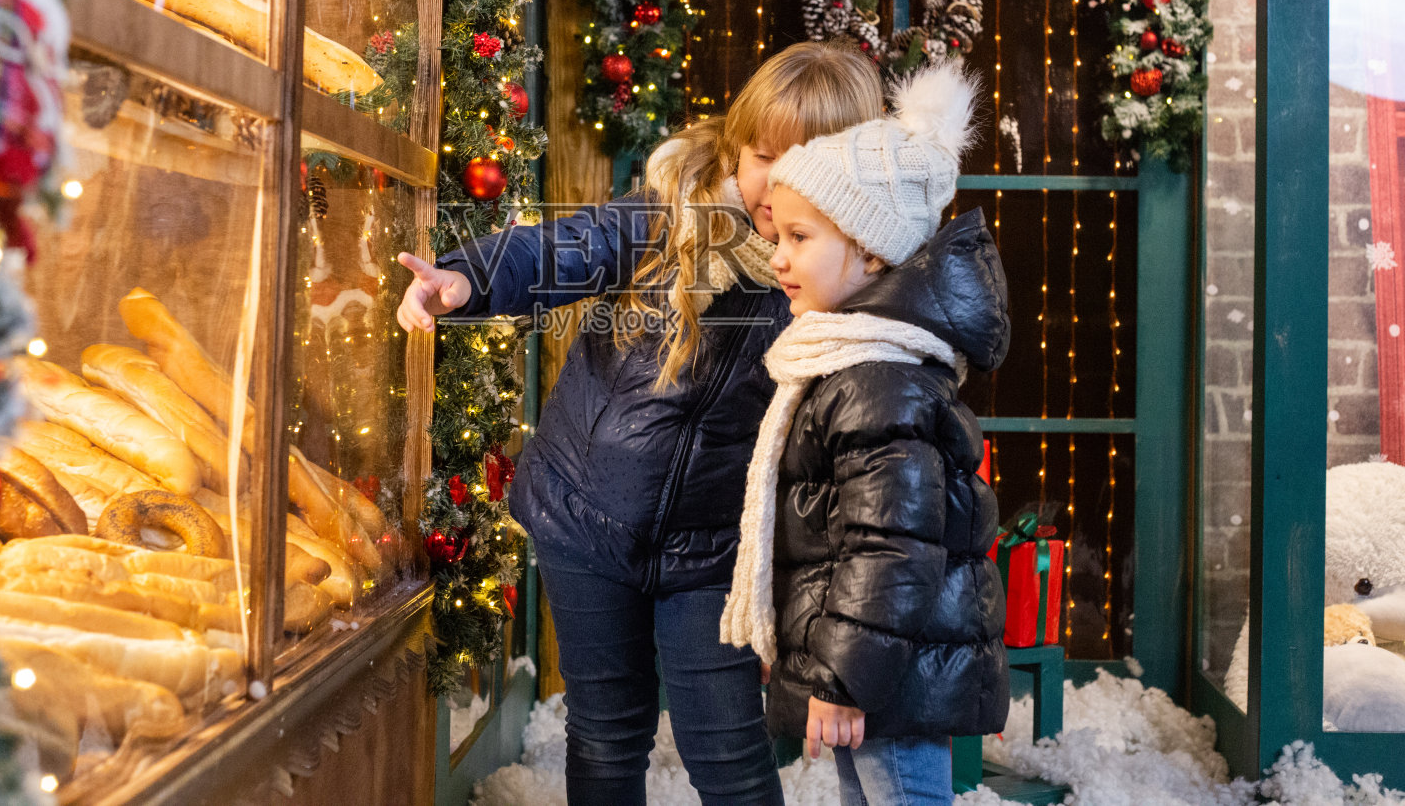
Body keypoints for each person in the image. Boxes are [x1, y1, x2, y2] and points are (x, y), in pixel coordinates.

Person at [395, 40, 884, 806]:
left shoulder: (827, 269)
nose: (774, 185)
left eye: (805, 168)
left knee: (726, 748)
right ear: (734, 145)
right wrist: (469, 278)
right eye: (762, 156)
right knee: (605, 729)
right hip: (587, 515)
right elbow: (564, 248)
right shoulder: (673, 212)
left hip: (712, 550)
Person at [719, 59, 1012, 806]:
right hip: (887, 670)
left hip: (891, 677)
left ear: (872, 249)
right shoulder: (847, 359)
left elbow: (890, 549)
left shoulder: (875, 378)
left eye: (800, 236)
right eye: (778, 233)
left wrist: (846, 679)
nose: (778, 255)